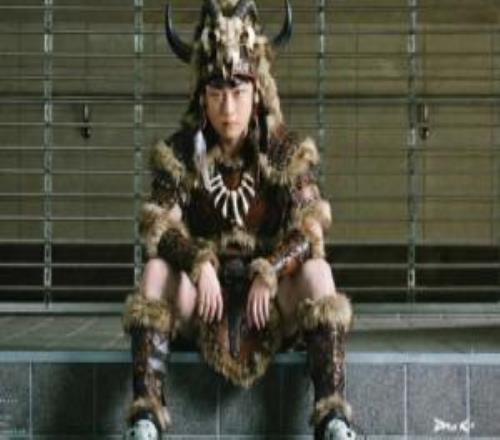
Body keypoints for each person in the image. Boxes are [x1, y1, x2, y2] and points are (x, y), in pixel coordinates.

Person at [122, 1, 356, 439]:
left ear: (258, 91)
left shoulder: (284, 149)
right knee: (154, 272)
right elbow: (158, 226)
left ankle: (332, 418)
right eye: (216, 93)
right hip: (203, 302)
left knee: (319, 273)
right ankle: (146, 417)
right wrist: (198, 262)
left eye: (238, 93)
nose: (227, 108)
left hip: (268, 305)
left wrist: (271, 272)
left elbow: (310, 227)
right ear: (202, 97)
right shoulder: (181, 152)